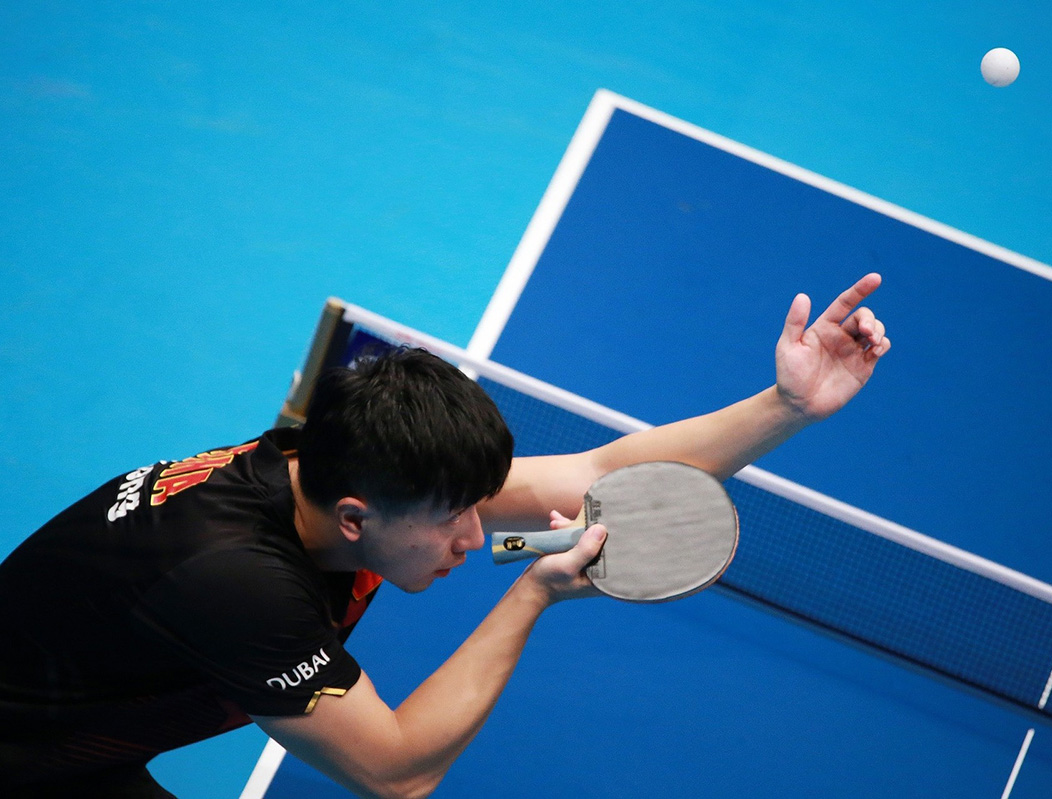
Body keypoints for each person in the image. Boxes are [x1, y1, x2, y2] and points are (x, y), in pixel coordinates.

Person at [0, 274, 890, 798]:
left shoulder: (345, 468)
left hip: (84, 736)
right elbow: (396, 772)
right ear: (356, 519)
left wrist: (787, 406)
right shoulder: (239, 586)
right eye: (452, 519)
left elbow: (597, 473)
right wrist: (533, 592)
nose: (476, 532)